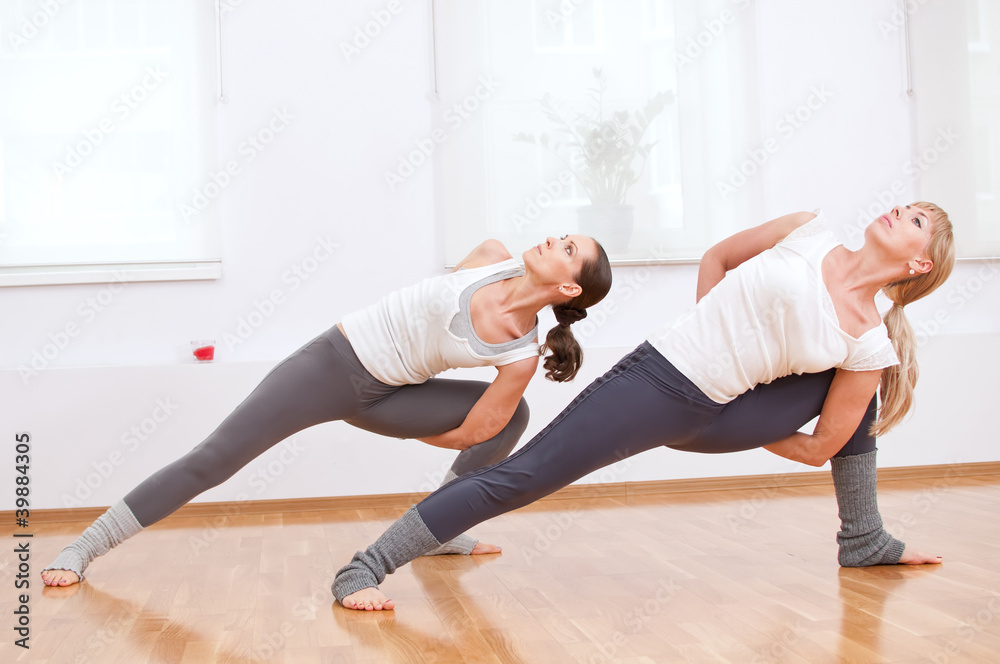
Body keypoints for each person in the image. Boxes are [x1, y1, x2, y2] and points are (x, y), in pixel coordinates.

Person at [331, 203, 955, 610]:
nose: (903, 211)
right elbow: (717, 257)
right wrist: (706, 325)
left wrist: (753, 416)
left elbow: (823, 447)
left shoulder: (869, 342)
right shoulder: (808, 232)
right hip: (659, 381)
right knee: (522, 478)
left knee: (856, 379)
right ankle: (365, 568)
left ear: (919, 262)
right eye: (910, 207)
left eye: (919, 221)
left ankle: (863, 538)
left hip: (724, 412)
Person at [41, 235, 613, 587]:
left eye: (569, 250)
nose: (554, 241)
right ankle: (83, 547)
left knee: (517, 416)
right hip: (329, 365)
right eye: (564, 236)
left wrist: (419, 434)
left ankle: (439, 528)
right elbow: (424, 319)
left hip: (388, 396)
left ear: (568, 288)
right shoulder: (490, 257)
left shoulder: (520, 353)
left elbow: (485, 427)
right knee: (212, 459)